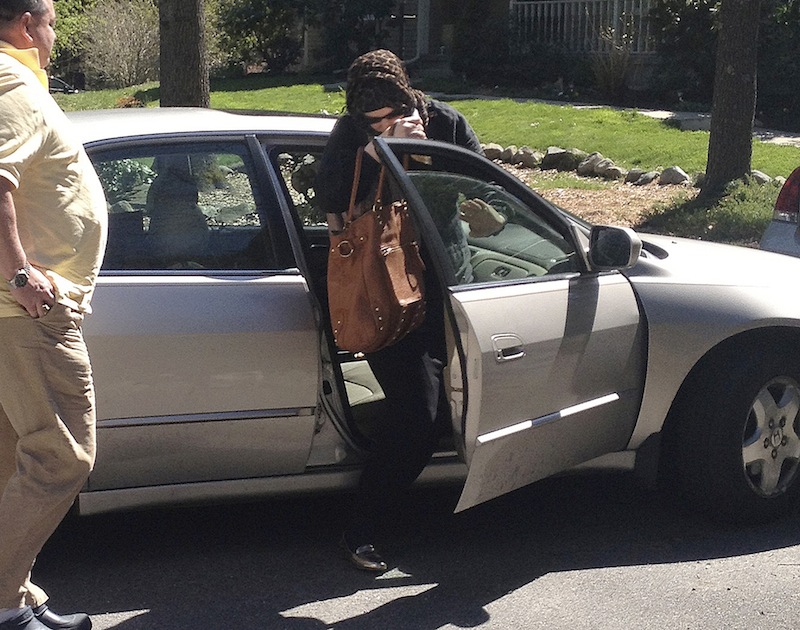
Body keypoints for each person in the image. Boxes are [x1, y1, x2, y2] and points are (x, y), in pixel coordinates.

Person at [315, 49, 501, 572]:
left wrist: (430, 153)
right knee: (417, 414)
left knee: (458, 401)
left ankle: (444, 500)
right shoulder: (351, 134)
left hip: (447, 280)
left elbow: (483, 191)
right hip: (385, 289)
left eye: (388, 118)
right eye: (369, 120)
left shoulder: (445, 123)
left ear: (409, 99)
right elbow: (326, 192)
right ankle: (362, 529)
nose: (380, 125)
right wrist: (371, 158)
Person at [0, 1, 107, 628]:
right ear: (24, 26)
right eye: (51, 25)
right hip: (26, 314)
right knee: (63, 457)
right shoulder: (10, 81)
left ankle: (14, 600)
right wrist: (18, 273)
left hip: (14, 314)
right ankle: (4, 607)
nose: (53, 38)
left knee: (14, 459)